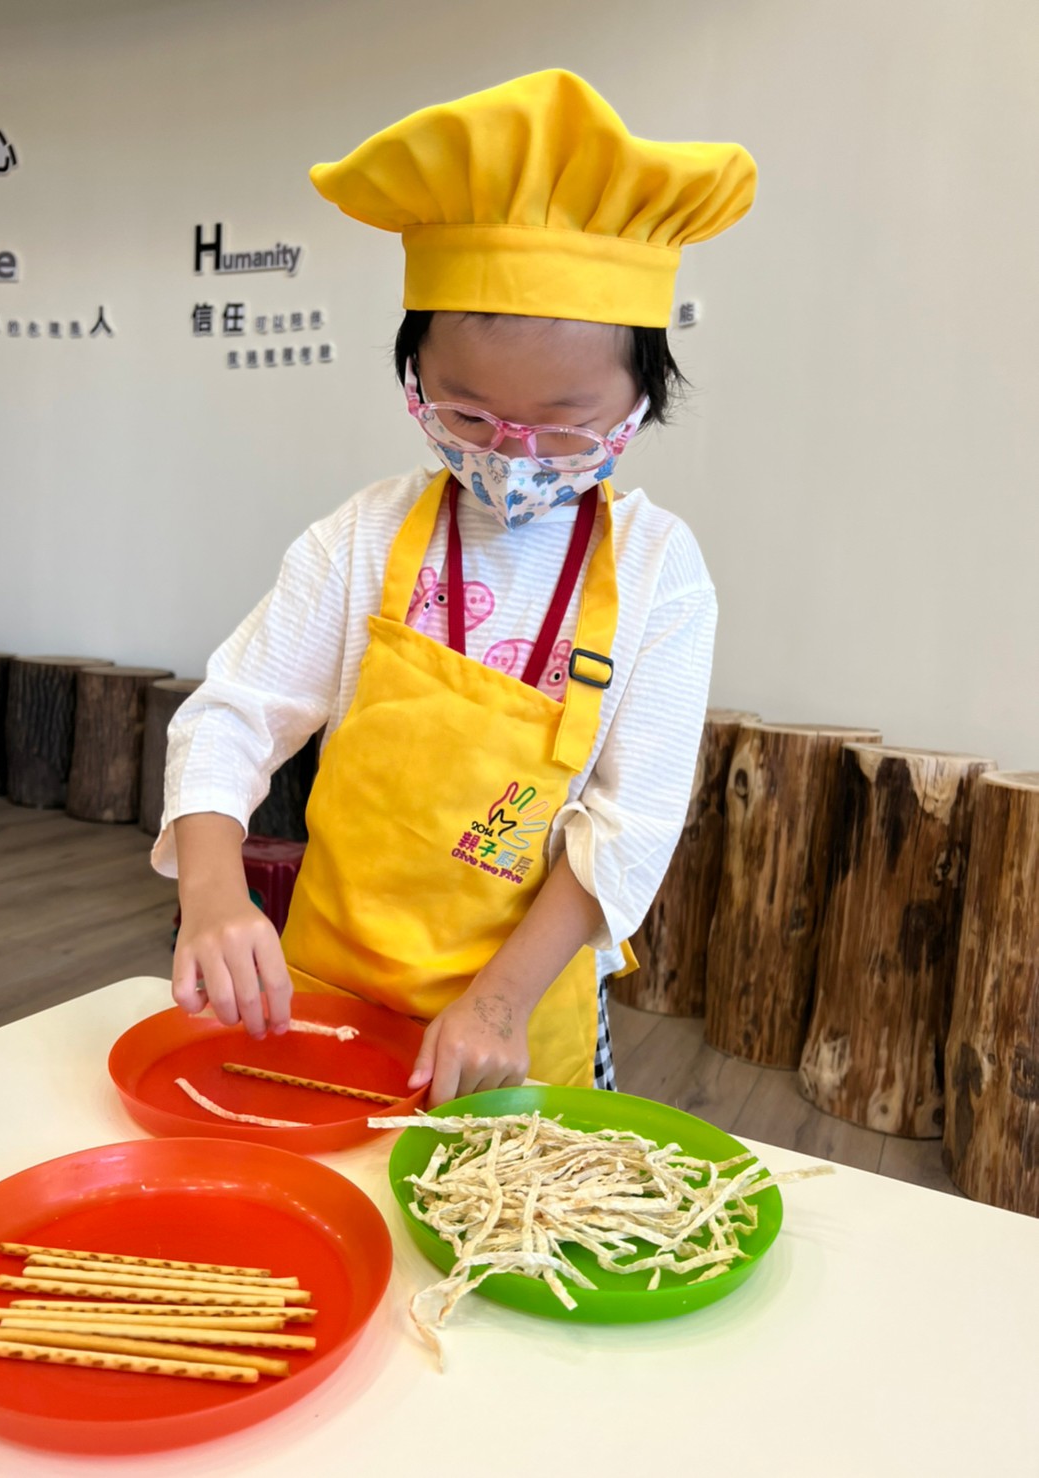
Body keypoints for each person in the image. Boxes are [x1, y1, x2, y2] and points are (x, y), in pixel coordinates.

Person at [152, 69, 756, 1107]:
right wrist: (212, 894)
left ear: (641, 398)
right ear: (415, 375)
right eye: (468, 415)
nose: (512, 456)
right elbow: (231, 716)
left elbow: (629, 825)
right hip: (325, 999)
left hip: (518, 1020)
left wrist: (499, 1003)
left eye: (563, 425)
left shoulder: (659, 572)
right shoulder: (365, 537)